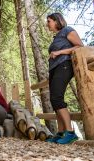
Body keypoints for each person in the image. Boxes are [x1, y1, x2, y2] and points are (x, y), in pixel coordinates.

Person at [45, 13, 84, 144]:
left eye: (49, 21)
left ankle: (70, 133)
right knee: (54, 100)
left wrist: (59, 52)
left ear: (57, 21)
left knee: (57, 97)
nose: (47, 24)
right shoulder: (56, 37)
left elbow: (80, 46)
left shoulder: (67, 30)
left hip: (65, 65)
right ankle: (61, 132)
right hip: (55, 68)